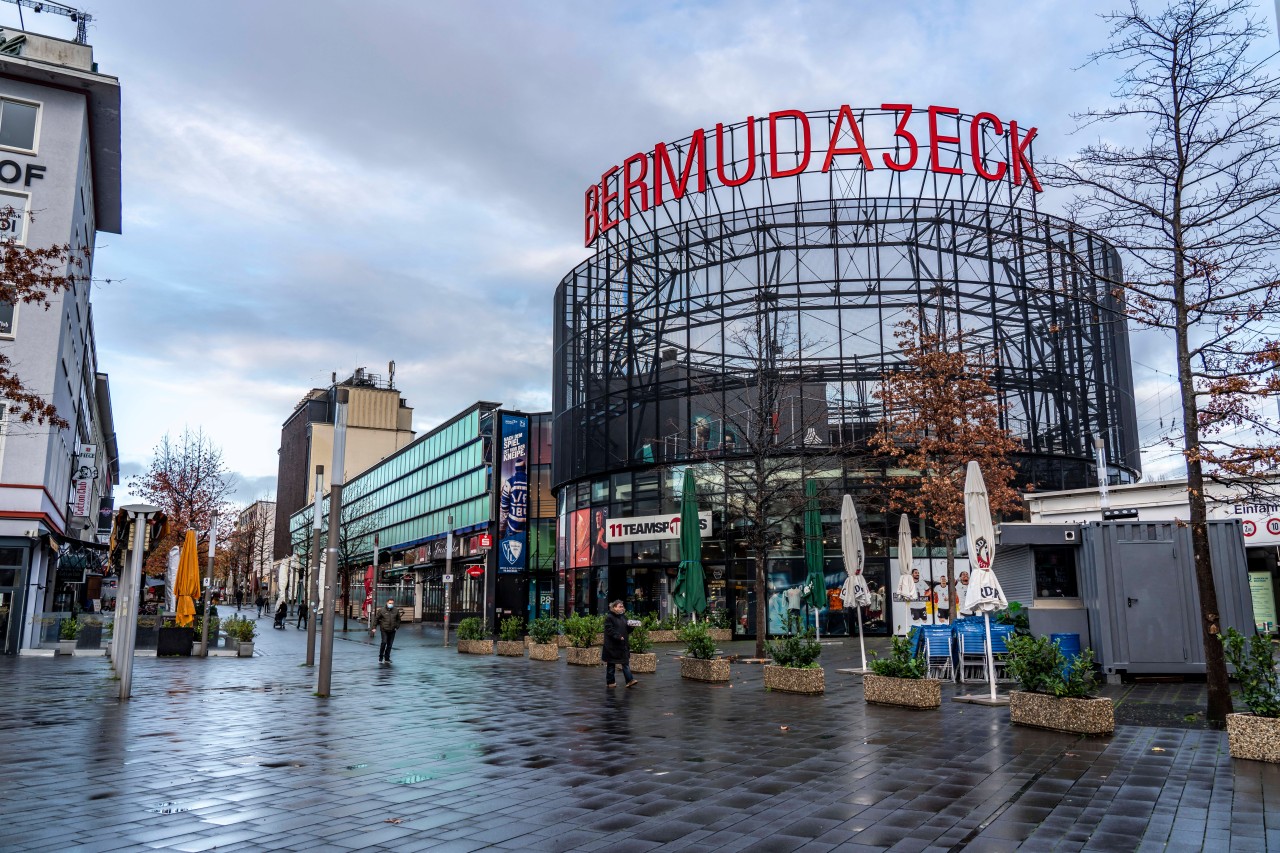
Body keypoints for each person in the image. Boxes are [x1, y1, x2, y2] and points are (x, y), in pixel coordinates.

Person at [602, 599, 637, 688]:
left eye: (622, 606)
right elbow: (609, 630)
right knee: (611, 664)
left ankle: (630, 680)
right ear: (614, 607)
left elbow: (627, 630)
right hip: (612, 646)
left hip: (622, 645)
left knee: (625, 662)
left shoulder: (623, 617)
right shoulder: (609, 617)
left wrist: (632, 627)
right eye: (620, 606)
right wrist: (618, 636)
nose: (622, 608)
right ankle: (610, 682)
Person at [374, 598, 401, 664]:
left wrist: (396, 627)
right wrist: (374, 627)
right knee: (384, 642)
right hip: (384, 629)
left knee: (389, 645)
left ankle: (387, 658)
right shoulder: (382, 610)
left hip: (392, 630)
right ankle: (380, 657)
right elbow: (376, 619)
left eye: (392, 603)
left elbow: (398, 619)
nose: (391, 604)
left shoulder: (396, 610)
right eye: (390, 603)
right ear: (387, 603)